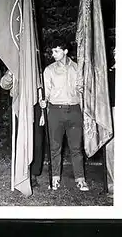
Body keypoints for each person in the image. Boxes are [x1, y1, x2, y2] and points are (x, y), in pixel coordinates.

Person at [39, 40, 89, 191]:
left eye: (57, 51)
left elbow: (83, 91)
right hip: (55, 111)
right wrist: (43, 104)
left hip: (74, 110)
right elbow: (45, 92)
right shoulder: (49, 70)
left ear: (65, 52)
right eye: (53, 51)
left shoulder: (77, 68)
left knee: (76, 148)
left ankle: (80, 179)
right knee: (55, 148)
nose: (53, 54)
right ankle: (55, 179)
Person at [0, 69, 45, 188]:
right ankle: (19, 172)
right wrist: (10, 72)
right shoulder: (14, 65)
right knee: (19, 140)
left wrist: (42, 112)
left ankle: (33, 173)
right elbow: (4, 84)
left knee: (36, 140)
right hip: (18, 105)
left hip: (34, 105)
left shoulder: (35, 67)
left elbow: (42, 90)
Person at [106, 47, 116, 197]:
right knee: (110, 147)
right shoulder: (108, 73)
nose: (115, 52)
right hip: (112, 111)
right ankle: (113, 184)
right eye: (114, 51)